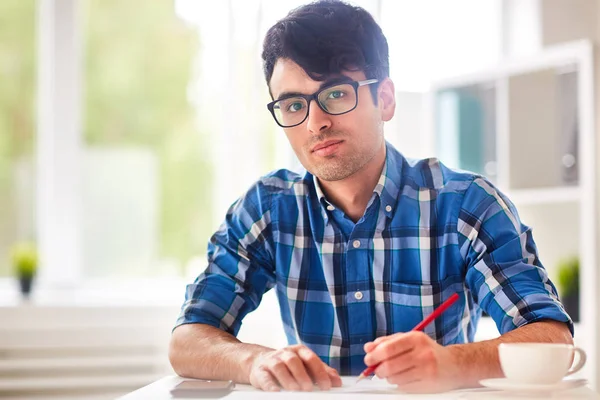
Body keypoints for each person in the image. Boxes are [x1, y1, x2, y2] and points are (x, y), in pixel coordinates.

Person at [169, 0, 573, 393]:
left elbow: (552, 341)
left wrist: (453, 364)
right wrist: (254, 361)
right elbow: (187, 340)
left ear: (385, 99)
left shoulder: (467, 206)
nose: (316, 123)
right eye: (294, 104)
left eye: (336, 94)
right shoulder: (266, 211)